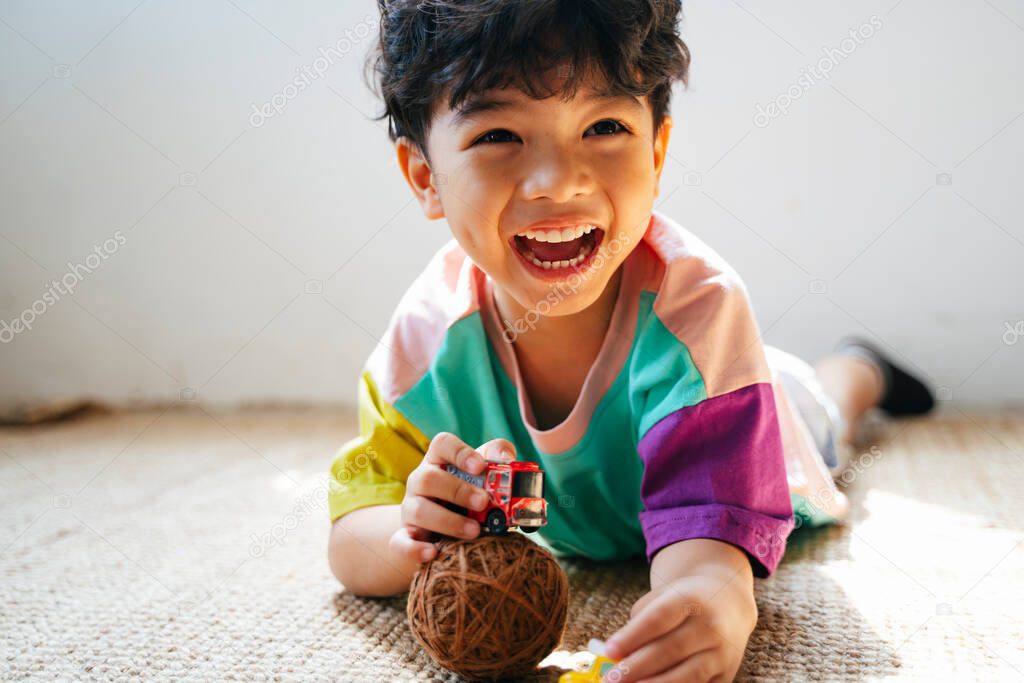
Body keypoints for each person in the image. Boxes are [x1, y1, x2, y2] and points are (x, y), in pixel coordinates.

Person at [326, 2, 935, 680]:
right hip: (686, 414)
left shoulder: (701, 313)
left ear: (657, 150)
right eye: (499, 134)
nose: (559, 181)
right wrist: (408, 530)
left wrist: (714, 596)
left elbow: (706, 545)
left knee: (825, 416)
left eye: (605, 126)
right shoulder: (421, 351)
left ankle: (859, 369)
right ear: (424, 176)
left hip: (754, 417)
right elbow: (351, 536)